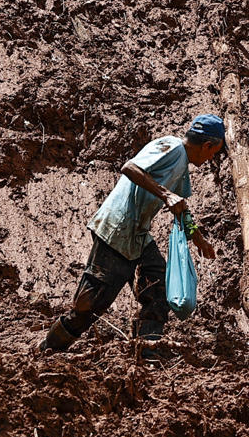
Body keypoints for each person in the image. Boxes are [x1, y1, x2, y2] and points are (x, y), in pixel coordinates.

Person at [42, 115, 224, 356]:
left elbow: (180, 207)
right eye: (213, 153)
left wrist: (197, 237)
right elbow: (130, 167)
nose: (211, 158)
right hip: (117, 229)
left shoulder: (182, 167)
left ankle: (146, 351)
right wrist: (165, 194)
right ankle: (48, 349)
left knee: (158, 286)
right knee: (91, 303)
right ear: (208, 145)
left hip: (137, 235)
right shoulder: (171, 147)